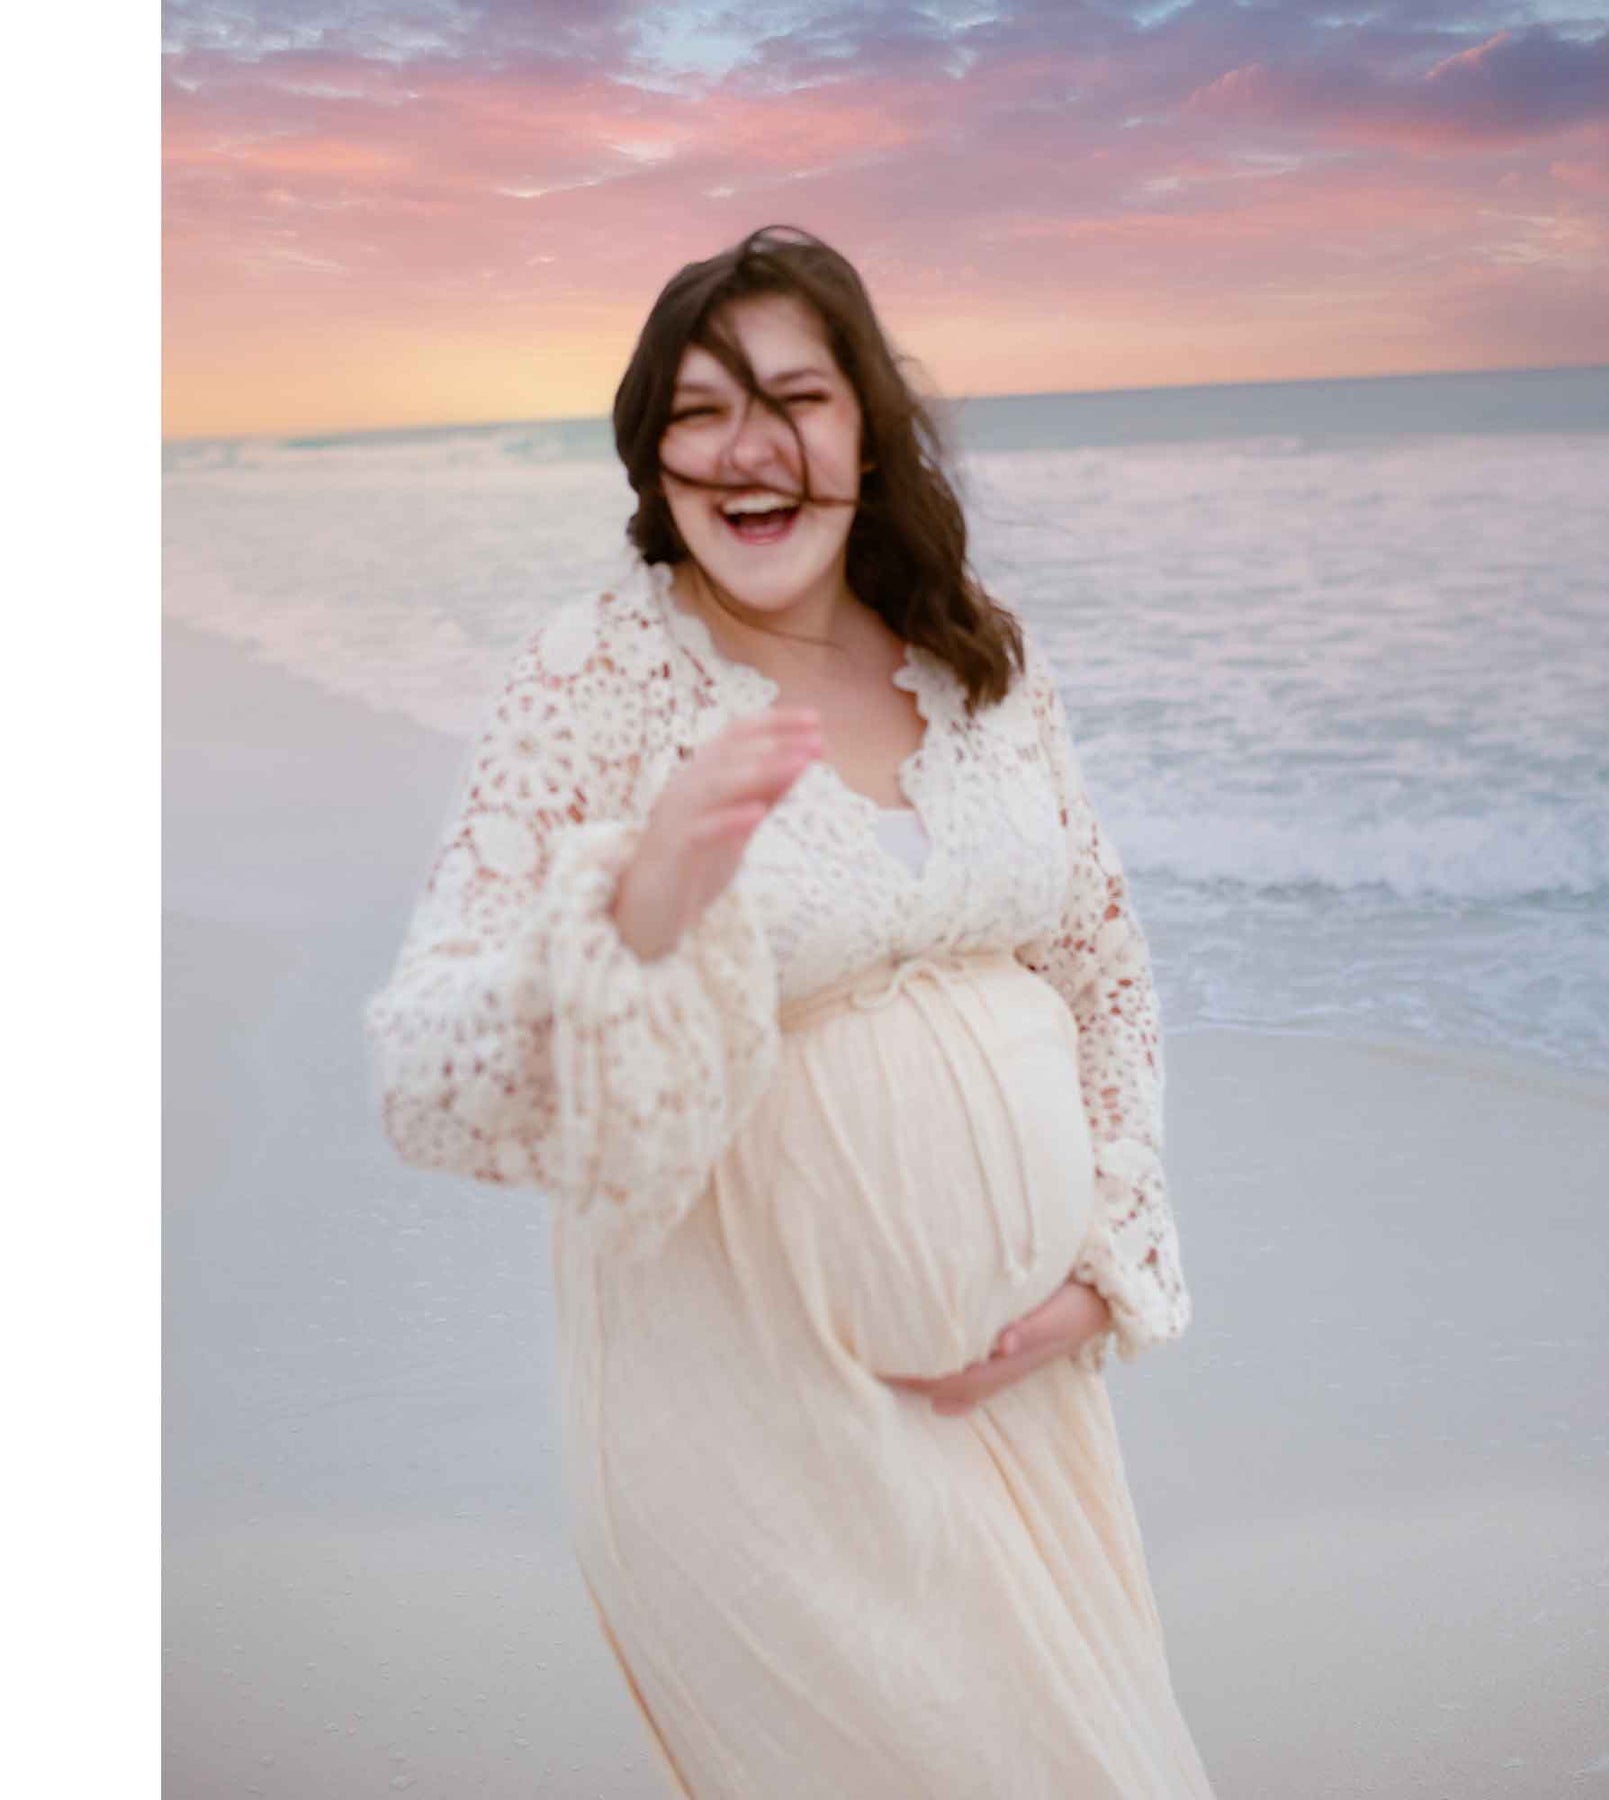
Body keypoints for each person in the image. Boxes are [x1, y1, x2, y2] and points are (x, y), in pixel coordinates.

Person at [363, 224, 1216, 1797]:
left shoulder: (978, 660)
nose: (748, 447)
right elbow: (426, 1076)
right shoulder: (600, 677)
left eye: (797, 399)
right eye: (701, 410)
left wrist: (1108, 1260)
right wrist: (641, 901)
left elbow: (1104, 968)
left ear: (866, 434)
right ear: (654, 455)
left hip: (1024, 1420)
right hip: (744, 1433)